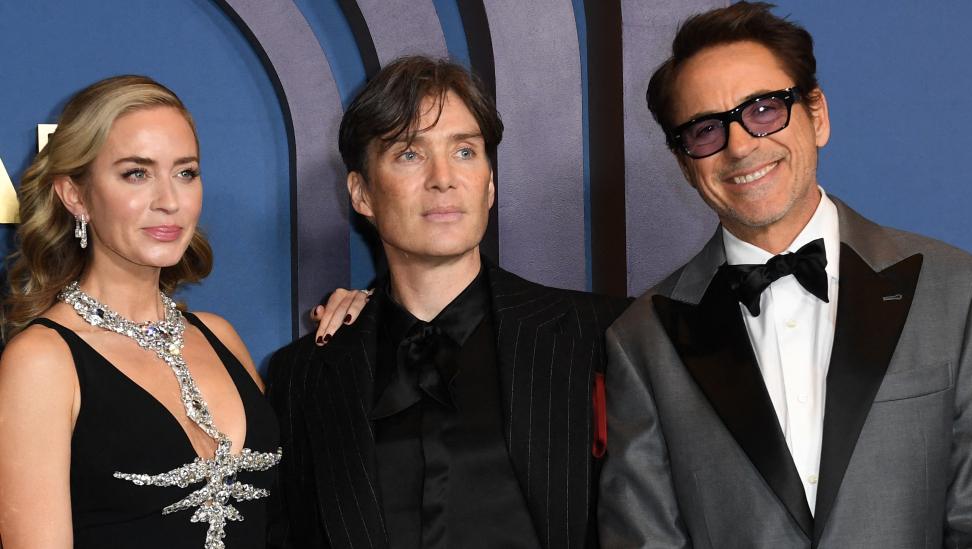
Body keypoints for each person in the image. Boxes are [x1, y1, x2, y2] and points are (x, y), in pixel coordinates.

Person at [599, 2, 972, 548]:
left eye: (763, 109)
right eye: (706, 130)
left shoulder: (957, 290)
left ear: (816, 114)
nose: (741, 145)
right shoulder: (640, 340)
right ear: (685, 163)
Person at [266, 56, 629, 549]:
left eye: (464, 152)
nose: (443, 178)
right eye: (409, 155)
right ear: (362, 193)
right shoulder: (303, 375)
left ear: (490, 183)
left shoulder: (603, 335)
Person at [0, 75, 282, 548]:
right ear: (75, 194)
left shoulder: (220, 336)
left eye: (186, 172)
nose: (169, 201)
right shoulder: (44, 361)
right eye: (137, 173)